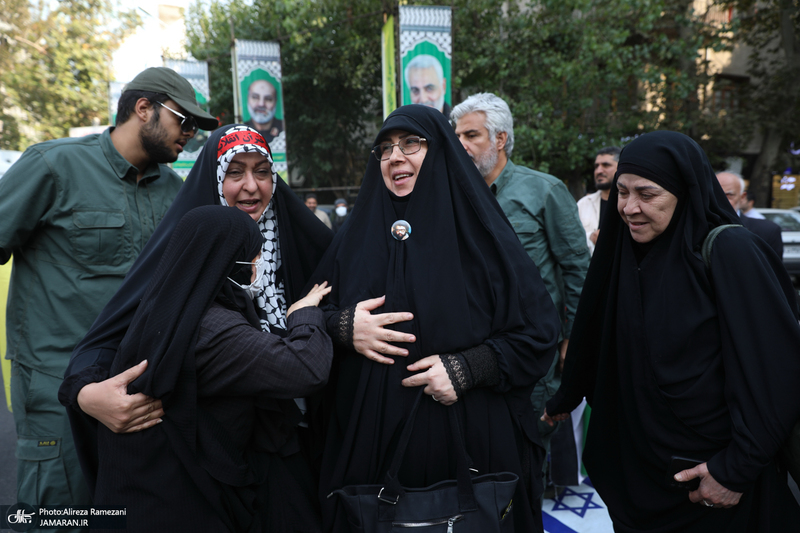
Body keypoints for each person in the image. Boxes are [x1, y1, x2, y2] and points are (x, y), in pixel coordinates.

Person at [59, 126, 333, 520]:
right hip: (206, 466)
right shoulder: (188, 254)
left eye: (262, 171)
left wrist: (342, 324)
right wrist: (88, 394)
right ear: (214, 180)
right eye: (235, 172)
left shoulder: (298, 242)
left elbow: (339, 296)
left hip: (291, 445)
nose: (251, 187)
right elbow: (111, 336)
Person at [313, 104, 561, 532]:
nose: (395, 156)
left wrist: (467, 368)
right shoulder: (355, 237)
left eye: (411, 143)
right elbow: (308, 314)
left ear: (441, 152)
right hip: (371, 451)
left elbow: (538, 333)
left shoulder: (483, 238)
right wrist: (344, 327)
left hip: (472, 447)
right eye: (385, 148)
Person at [544, 130, 800, 531]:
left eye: (647, 194)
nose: (629, 208)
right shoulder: (626, 253)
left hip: (714, 485)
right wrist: (567, 392)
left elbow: (778, 370)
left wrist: (736, 469)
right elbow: (596, 328)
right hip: (639, 483)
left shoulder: (731, 252)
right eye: (622, 192)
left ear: (685, 192)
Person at [0, 66, 217, 515]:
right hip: (54, 382)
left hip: (140, 393)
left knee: (126, 517)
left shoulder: (178, 194)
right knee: (61, 516)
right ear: (144, 109)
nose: (191, 135)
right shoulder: (53, 165)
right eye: (185, 121)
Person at [92, 205, 332, 531]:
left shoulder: (172, 306)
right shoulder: (213, 328)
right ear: (226, 259)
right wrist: (304, 314)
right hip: (180, 507)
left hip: (150, 492)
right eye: (252, 255)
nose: (258, 263)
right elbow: (306, 368)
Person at [451, 92, 589, 489]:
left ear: (500, 139)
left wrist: (571, 342)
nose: (461, 144)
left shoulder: (543, 191)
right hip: (477, 351)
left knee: (529, 449)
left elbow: (578, 269)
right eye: (457, 135)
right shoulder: (456, 197)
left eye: (472, 135)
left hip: (536, 351)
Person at [716, 171, 783, 258]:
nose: (721, 200)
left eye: (729, 195)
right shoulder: (696, 229)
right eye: (716, 194)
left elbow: (773, 269)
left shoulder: (767, 231)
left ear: (742, 197)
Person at [578, 146, 620, 255]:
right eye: (596, 166)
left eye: (606, 165)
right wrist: (591, 237)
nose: (598, 171)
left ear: (620, 167)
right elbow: (571, 238)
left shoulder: (631, 204)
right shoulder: (583, 204)